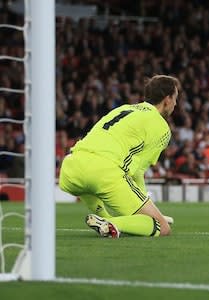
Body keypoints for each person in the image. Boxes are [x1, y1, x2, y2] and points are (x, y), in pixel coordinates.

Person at [59, 75, 180, 238]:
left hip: (71, 167)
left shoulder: (123, 109)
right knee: (162, 227)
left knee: (95, 190)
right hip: (104, 173)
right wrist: (145, 207)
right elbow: (138, 171)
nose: (175, 104)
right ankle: (113, 223)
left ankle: (106, 221)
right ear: (167, 100)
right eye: (175, 98)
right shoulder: (161, 127)